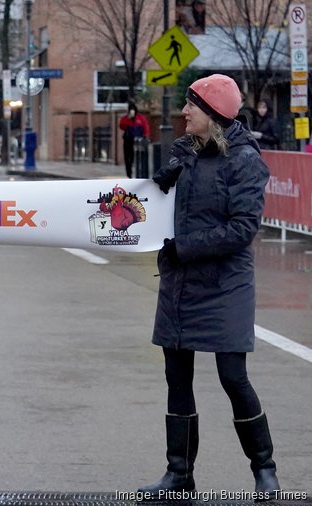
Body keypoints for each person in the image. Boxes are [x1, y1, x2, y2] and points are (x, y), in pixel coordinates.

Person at [140, 74, 280, 500]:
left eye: (192, 106)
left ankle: (265, 470)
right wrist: (156, 186)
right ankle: (179, 474)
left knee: (233, 376)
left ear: (214, 115)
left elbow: (241, 229)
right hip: (181, 282)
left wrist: (184, 247)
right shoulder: (186, 150)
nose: (184, 112)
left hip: (224, 284)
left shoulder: (245, 161)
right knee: (176, 376)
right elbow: (157, 202)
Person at [118, 101, 150, 178]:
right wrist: (129, 119)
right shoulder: (125, 118)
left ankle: (135, 170)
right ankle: (129, 173)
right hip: (128, 140)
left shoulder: (141, 118)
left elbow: (145, 127)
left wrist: (145, 136)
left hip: (137, 141)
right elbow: (122, 126)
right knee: (127, 157)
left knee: (134, 157)